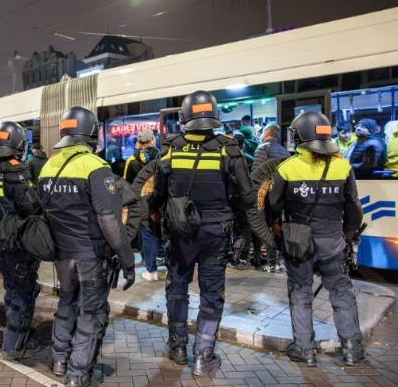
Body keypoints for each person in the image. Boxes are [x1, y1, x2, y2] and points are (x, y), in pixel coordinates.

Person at [151, 91, 255, 375]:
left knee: (177, 288)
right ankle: (203, 355)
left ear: (184, 117)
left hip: (179, 233)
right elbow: (247, 198)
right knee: (211, 293)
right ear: (215, 116)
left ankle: (178, 347)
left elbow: (158, 193)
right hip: (216, 233)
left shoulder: (170, 147)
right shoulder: (229, 149)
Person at [42, 107, 135, 387]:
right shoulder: (95, 167)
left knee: (66, 304)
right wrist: (128, 259)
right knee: (90, 312)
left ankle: (59, 360)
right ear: (92, 133)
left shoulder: (49, 166)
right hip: (90, 255)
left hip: (61, 254)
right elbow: (109, 219)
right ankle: (78, 374)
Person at [267, 111, 365, 367]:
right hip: (333, 243)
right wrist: (345, 236)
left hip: (299, 245)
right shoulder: (343, 165)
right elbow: (353, 208)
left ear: (299, 136)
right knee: (342, 293)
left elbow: (273, 208)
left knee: (300, 294)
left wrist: (278, 237)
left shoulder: (287, 168)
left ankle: (304, 349)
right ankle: (352, 348)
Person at [0, 122, 43, 358]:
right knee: (22, 291)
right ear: (18, 144)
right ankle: (14, 343)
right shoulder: (16, 171)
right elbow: (32, 208)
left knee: (11, 286)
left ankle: (15, 329)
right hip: (16, 240)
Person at [252, 124, 291, 273]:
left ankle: (272, 262)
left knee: (266, 227)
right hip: (282, 196)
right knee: (279, 226)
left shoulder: (263, 148)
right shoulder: (284, 150)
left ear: (267, 132)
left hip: (266, 195)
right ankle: (281, 261)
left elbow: (256, 173)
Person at [123, 129, 161, 281]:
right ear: (152, 141)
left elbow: (126, 184)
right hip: (159, 201)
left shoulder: (131, 160)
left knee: (146, 234)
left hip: (140, 203)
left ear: (139, 143)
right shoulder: (161, 156)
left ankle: (151, 268)